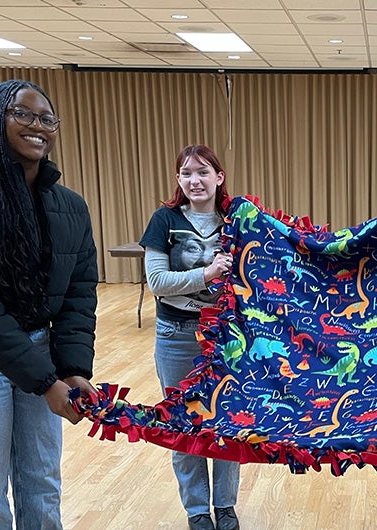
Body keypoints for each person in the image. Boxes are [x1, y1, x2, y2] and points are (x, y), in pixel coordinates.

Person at [0, 79, 98, 529]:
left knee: (42, 479)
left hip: (42, 349)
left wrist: (72, 367)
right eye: (23, 114)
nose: (37, 126)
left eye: (46, 118)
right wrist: (44, 382)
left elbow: (80, 292)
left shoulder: (71, 207)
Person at [140, 144, 241, 530]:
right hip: (176, 334)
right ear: (178, 179)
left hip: (226, 338)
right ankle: (198, 510)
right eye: (186, 173)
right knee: (184, 422)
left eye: (203, 172)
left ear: (219, 177)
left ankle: (226, 506)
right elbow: (157, 282)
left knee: (228, 422)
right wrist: (208, 274)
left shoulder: (235, 220)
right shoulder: (164, 220)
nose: (194, 180)